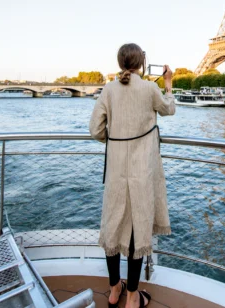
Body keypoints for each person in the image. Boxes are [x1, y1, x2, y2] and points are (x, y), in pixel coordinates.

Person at [89, 43, 175, 308]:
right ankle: (133, 295)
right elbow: (168, 109)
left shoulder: (109, 89)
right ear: (140, 63)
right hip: (142, 171)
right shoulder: (150, 88)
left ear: (120, 63)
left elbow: (95, 129)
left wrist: (113, 140)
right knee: (138, 228)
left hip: (116, 169)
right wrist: (169, 83)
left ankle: (115, 288)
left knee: (113, 226)